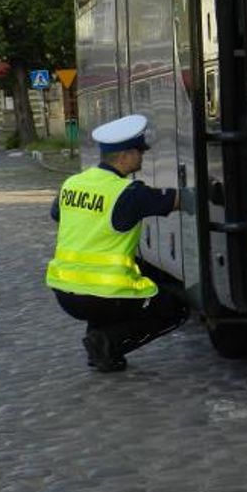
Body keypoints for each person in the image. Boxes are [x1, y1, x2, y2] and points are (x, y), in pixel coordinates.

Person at [45, 114, 189, 372]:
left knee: (108, 299)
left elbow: (57, 214)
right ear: (124, 156)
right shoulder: (128, 193)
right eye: (139, 152)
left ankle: (100, 352)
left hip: (64, 291)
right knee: (176, 309)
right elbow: (178, 200)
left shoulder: (72, 183)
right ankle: (108, 342)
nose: (142, 157)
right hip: (101, 293)